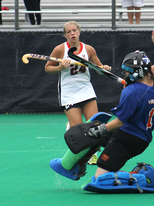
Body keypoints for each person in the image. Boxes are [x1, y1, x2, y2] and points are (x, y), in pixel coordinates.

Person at [64, 50, 154, 192]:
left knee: (100, 177)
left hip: (127, 138)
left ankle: (143, 177)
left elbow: (120, 121)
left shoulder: (131, 92)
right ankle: (79, 165)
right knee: (97, 137)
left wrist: (99, 129)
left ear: (138, 72)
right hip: (140, 139)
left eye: (128, 71)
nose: (125, 74)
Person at [45, 21, 111, 178]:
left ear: (79, 32)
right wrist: (61, 67)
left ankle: (93, 155)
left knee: (94, 125)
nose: (72, 33)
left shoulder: (88, 49)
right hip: (69, 93)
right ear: (65, 34)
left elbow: (98, 68)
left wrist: (104, 69)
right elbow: (48, 68)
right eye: (69, 31)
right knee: (79, 131)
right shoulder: (60, 49)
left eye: (74, 30)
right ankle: (74, 139)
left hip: (86, 91)